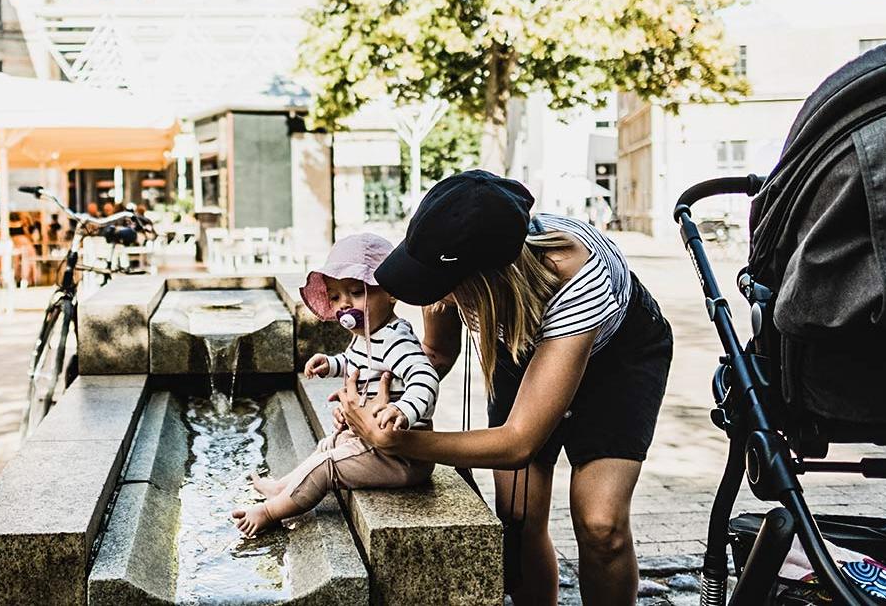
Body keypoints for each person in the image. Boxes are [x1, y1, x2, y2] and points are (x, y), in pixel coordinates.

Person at [336, 170, 673, 605]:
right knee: (518, 516)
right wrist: (387, 403)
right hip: (520, 341)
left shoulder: (578, 275)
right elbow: (436, 354)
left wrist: (398, 441)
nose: (439, 299)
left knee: (600, 525)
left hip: (617, 360)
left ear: (487, 281)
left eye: (448, 290)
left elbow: (518, 444)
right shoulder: (444, 254)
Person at [231, 233, 439, 536]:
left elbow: (425, 378)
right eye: (335, 297)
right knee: (328, 445)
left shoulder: (396, 340)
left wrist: (403, 409)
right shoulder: (366, 336)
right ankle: (281, 487)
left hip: (402, 456)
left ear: (391, 292)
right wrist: (332, 364)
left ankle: (270, 511)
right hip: (374, 444)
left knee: (326, 466)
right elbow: (355, 361)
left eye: (356, 292)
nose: (345, 305)